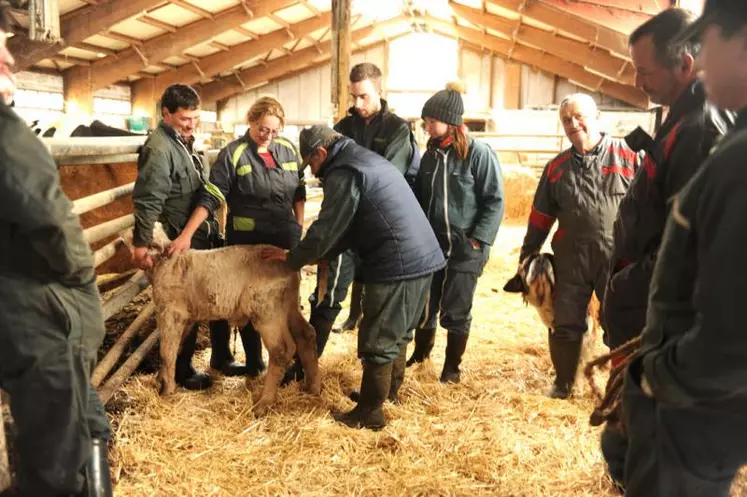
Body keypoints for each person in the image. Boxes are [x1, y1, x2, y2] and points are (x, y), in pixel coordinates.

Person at [600, 7, 735, 487]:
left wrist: (624, 287)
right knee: (624, 443)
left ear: (684, 63)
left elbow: (688, 255)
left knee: (645, 452)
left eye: (643, 71)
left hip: (665, 340)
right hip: (649, 318)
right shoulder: (677, 122)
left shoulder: (700, 132)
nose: (637, 81)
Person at [263, 125, 445, 430]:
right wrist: (320, 254)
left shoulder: (344, 171)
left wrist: (293, 259)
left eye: (312, 164)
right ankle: (387, 394)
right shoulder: (364, 159)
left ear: (321, 152)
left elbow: (327, 227)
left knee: (378, 337)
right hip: (422, 258)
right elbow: (350, 227)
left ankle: (370, 412)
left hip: (396, 263)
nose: (315, 173)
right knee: (398, 333)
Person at [0, 7, 113, 496]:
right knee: (57, 464)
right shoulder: (5, 133)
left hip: (19, 308)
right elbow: (49, 217)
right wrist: (81, 277)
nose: (9, 58)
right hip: (35, 310)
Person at [505, 93, 638, 398]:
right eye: (566, 119)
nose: (573, 123)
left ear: (597, 117)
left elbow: (654, 204)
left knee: (621, 322)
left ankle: (622, 388)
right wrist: (527, 255)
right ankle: (564, 383)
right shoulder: (556, 168)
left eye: (579, 116)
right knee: (564, 322)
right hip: (571, 259)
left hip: (619, 258)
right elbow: (540, 217)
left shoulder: (629, 156)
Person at [172, 96, 305, 377]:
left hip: (283, 239)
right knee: (248, 303)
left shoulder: (288, 149)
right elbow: (213, 196)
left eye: (274, 131)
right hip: (247, 243)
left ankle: (286, 362)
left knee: (285, 299)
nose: (268, 136)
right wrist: (187, 235)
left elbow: (299, 192)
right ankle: (256, 362)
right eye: (262, 129)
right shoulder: (234, 153)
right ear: (251, 122)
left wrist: (299, 227)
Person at [132, 84, 242, 389]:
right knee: (186, 305)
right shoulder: (158, 149)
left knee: (216, 295)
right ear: (166, 114)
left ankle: (221, 356)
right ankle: (181, 370)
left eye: (195, 118)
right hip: (180, 239)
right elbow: (148, 200)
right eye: (185, 119)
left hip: (201, 235)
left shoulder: (189, 143)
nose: (191, 125)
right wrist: (142, 244)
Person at [406, 82, 504, 384]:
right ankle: (422, 356)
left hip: (467, 247)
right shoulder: (432, 156)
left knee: (457, 308)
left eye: (431, 121)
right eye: (425, 122)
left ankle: (451, 368)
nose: (427, 127)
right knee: (427, 302)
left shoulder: (478, 154)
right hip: (434, 244)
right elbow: (422, 197)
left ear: (450, 121)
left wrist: (477, 240)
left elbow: (494, 200)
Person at [326, 61, 420, 335]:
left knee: (377, 268)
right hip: (350, 215)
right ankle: (353, 315)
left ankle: (370, 320)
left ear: (379, 91)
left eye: (364, 96)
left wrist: (351, 180)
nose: (358, 103)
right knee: (351, 264)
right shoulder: (342, 127)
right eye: (353, 96)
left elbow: (388, 174)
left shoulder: (397, 129)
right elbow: (332, 170)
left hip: (382, 214)